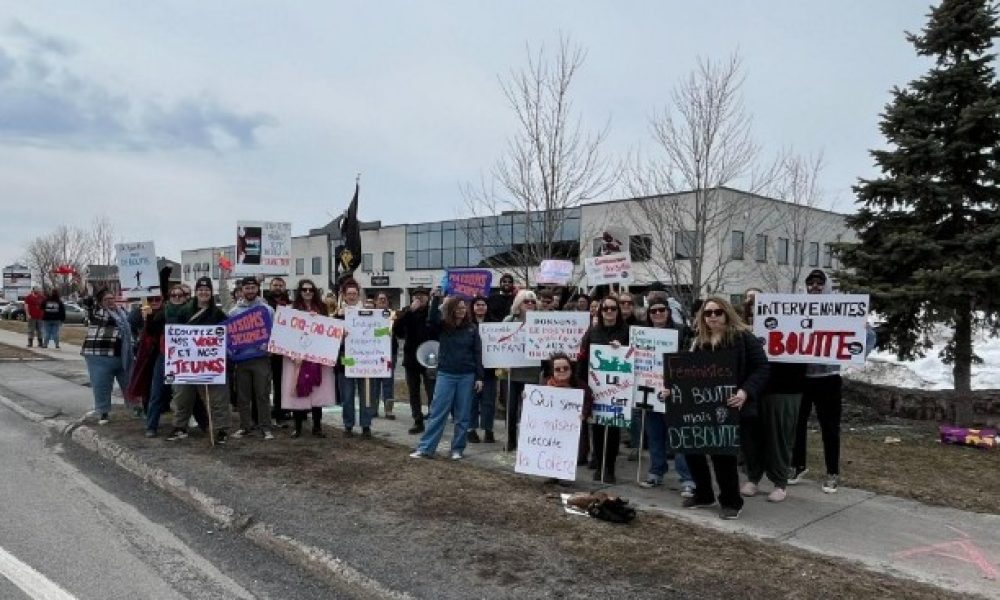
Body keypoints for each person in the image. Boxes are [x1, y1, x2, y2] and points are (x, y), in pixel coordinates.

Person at [677, 297, 769, 520]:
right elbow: (686, 372)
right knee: (693, 447)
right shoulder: (698, 342)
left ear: (727, 313)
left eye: (718, 312)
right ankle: (704, 493)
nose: (713, 317)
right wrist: (674, 390)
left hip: (730, 406)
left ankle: (731, 501)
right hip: (699, 404)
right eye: (708, 313)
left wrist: (745, 392)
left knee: (722, 454)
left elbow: (762, 367)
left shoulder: (744, 338)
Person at [790, 269, 876, 494]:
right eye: (811, 283)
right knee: (797, 426)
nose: (815, 287)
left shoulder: (840, 311)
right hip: (801, 379)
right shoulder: (796, 310)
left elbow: (870, 338)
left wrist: (857, 346)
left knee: (829, 428)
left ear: (826, 286)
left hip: (828, 380)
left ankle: (832, 473)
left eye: (819, 283)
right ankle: (797, 465)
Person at [739, 288, 804, 503]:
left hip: (783, 388)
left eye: (758, 299)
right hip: (753, 390)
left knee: (779, 438)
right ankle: (753, 477)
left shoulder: (793, 326)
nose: (753, 303)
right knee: (752, 437)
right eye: (749, 301)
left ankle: (779, 482)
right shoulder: (743, 331)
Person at [410, 291, 484, 460]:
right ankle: (426, 448)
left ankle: (457, 449)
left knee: (463, 415)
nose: (461, 311)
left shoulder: (472, 329)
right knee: (437, 412)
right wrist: (436, 299)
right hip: (446, 374)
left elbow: (477, 353)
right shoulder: (444, 326)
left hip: (467, 375)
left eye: (464, 308)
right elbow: (431, 320)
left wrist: (479, 377)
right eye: (458, 308)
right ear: (451, 309)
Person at [639, 292, 695, 497]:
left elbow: (689, 362)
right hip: (650, 390)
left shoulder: (682, 332)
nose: (657, 314)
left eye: (661, 310)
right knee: (655, 435)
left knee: (678, 437)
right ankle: (656, 472)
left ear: (668, 312)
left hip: (675, 391)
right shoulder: (641, 334)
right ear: (649, 314)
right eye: (653, 311)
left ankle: (687, 479)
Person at [164, 275, 232, 444]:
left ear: (211, 292)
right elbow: (174, 333)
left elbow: (228, 335)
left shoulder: (218, 314)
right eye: (200, 290)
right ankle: (179, 427)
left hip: (211, 365)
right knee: (182, 397)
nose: (203, 292)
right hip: (186, 364)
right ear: (196, 292)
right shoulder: (184, 311)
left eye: (206, 290)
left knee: (218, 399)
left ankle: (221, 430)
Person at [577, 294, 630, 484]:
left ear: (618, 311)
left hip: (618, 389)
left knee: (613, 431)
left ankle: (610, 468)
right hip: (596, 388)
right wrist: (581, 385)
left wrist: (623, 348)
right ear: (600, 311)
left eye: (613, 308)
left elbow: (635, 355)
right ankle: (599, 465)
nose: (609, 312)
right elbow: (582, 359)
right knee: (597, 429)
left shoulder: (626, 331)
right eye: (605, 308)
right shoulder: (592, 332)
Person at [227, 277, 276, 440]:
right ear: (242, 290)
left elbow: (274, 332)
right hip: (241, 360)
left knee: (262, 394)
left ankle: (265, 427)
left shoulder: (267, 310)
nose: (249, 291)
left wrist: (269, 346)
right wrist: (231, 351)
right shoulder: (234, 312)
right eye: (246, 288)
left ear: (258, 289)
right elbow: (229, 336)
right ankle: (245, 426)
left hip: (261, 358)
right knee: (243, 396)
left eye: (252, 288)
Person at [285, 279, 335, 438]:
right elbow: (286, 333)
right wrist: (292, 354)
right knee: (298, 391)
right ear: (299, 292)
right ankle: (298, 427)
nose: (307, 292)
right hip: (297, 357)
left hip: (316, 357)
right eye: (304, 290)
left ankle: (317, 426)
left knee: (317, 392)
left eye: (310, 290)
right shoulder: (292, 309)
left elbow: (328, 330)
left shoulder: (321, 309)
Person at [80, 289, 134, 425]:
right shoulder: (97, 313)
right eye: (106, 299)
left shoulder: (122, 312)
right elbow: (87, 304)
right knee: (101, 385)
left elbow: (132, 324)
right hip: (99, 356)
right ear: (100, 302)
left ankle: (135, 407)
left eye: (112, 298)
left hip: (123, 355)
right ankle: (103, 412)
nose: (110, 301)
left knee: (130, 382)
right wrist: (88, 291)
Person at [502, 290, 541, 451]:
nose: (530, 304)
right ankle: (510, 440)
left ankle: (526, 441)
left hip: (531, 373)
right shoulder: (509, 321)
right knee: (510, 410)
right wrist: (502, 362)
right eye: (526, 302)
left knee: (528, 411)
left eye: (533, 302)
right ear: (519, 304)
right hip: (511, 373)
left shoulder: (541, 322)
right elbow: (500, 344)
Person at [393, 287, 434, 434]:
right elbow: (397, 330)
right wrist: (409, 311)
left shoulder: (432, 310)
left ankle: (433, 418)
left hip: (430, 357)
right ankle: (418, 419)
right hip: (411, 358)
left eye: (423, 296)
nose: (420, 298)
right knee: (413, 391)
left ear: (428, 298)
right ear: (412, 298)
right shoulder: (406, 312)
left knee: (431, 390)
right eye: (416, 296)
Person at [336, 279, 373, 438]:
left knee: (366, 395)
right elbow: (329, 337)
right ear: (344, 296)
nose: (351, 296)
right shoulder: (337, 315)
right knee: (347, 394)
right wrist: (340, 334)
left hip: (364, 360)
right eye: (349, 294)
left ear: (358, 295)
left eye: (354, 294)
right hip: (346, 359)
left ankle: (366, 426)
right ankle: (348, 425)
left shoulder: (369, 313)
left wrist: (385, 331)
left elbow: (376, 332)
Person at [467, 295, 497, 444]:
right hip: (472, 369)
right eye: (477, 304)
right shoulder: (467, 324)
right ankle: (471, 429)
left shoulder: (494, 324)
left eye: (483, 304)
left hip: (490, 369)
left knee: (489, 402)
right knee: (472, 401)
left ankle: (488, 430)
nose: (480, 307)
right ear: (472, 307)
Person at [264, 277, 291, 424]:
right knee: (265, 382)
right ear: (270, 286)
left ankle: (280, 410)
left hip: (284, 349)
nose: (278, 287)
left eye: (281, 285)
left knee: (282, 381)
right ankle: (263, 412)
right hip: (266, 348)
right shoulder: (263, 302)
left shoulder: (290, 303)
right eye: (275, 285)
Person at [374, 292, 397, 420]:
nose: (382, 301)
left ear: (387, 302)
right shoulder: (370, 316)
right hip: (374, 353)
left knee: (388, 381)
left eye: (384, 299)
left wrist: (395, 324)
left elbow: (399, 333)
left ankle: (389, 410)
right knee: (375, 382)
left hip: (389, 353)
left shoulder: (392, 316)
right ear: (376, 302)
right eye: (380, 299)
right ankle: (374, 409)